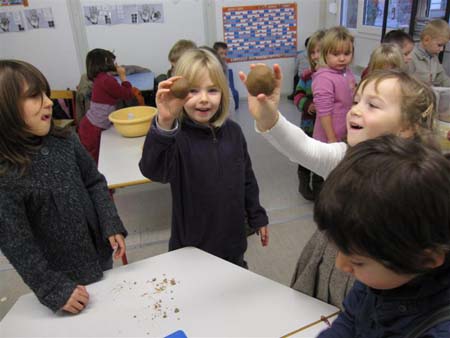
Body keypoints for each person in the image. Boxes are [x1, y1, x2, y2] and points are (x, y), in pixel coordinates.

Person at [239, 67, 436, 308]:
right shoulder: (345, 158)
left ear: (406, 127)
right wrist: (269, 117)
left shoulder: (416, 181)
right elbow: (303, 148)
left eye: (372, 105)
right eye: (356, 100)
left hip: (375, 278)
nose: (355, 109)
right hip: (332, 262)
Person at [0, 60, 127, 314]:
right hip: (65, 280)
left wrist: (110, 221)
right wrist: (53, 289)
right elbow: (17, 244)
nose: (48, 102)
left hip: (100, 255)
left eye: (45, 93)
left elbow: (94, 181)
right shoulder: (6, 173)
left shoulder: (66, 140)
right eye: (35, 96)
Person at [139, 49, 269, 268]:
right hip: (191, 250)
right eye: (193, 91)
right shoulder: (176, 137)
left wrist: (257, 215)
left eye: (212, 90)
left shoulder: (234, 132)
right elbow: (153, 170)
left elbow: (246, 177)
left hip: (233, 245)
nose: (204, 100)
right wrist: (164, 122)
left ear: (223, 93)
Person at [316, 135, 450, 337]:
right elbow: (350, 319)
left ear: (425, 259)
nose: (340, 265)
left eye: (358, 262)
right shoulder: (385, 272)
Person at [311, 26, 356, 197]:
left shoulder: (346, 72)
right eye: (336, 54)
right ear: (325, 54)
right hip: (329, 137)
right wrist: (331, 139)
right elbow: (324, 112)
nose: (342, 58)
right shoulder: (324, 77)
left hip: (344, 135)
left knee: (339, 174)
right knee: (326, 176)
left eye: (347, 53)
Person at [78, 48, 134, 164]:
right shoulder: (106, 80)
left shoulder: (100, 78)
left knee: (97, 160)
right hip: (93, 129)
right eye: (112, 60)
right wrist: (123, 76)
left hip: (90, 125)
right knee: (95, 162)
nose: (114, 63)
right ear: (105, 61)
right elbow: (128, 94)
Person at [293, 30, 325, 200]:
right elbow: (297, 95)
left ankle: (320, 187)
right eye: (312, 52)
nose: (315, 56)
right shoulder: (306, 76)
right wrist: (307, 105)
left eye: (319, 51)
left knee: (320, 159)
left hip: (326, 130)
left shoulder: (337, 77)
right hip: (309, 126)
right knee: (306, 157)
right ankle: (303, 183)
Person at [408, 19, 450, 87]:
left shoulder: (433, 56)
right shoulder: (410, 57)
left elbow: (442, 78)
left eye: (443, 46)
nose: (442, 49)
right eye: (439, 45)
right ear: (426, 40)